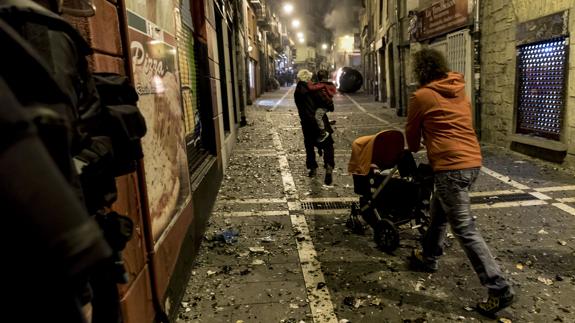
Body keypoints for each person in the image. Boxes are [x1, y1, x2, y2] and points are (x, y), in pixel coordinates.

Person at [405, 48, 515, 317]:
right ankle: (428, 257)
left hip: (449, 167)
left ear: (420, 70)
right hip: (472, 162)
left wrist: (417, 145)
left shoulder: (421, 96)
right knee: (439, 214)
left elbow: (411, 137)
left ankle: (498, 287)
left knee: (464, 229)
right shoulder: (458, 89)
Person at [294, 69, 335, 185]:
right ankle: (328, 166)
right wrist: (330, 106)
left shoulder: (297, 92)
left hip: (306, 123)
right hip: (319, 122)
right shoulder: (313, 90)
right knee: (328, 145)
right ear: (308, 79)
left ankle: (312, 168)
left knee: (309, 146)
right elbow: (324, 101)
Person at [307, 69, 337, 143]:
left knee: (317, 116)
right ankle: (327, 122)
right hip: (327, 104)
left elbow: (311, 88)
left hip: (324, 105)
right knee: (318, 113)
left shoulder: (322, 85)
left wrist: (309, 81)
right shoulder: (329, 84)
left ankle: (323, 133)